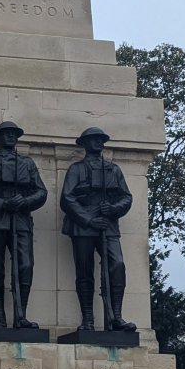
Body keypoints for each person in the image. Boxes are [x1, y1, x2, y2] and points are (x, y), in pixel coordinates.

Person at [0, 121, 47, 329]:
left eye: (13, 133)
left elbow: (41, 192)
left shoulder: (27, 163)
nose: (10, 137)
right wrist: (2, 203)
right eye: (6, 134)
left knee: (25, 265)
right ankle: (0, 319)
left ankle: (21, 316)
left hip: (21, 219)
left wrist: (25, 201)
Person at [60, 126, 136, 333]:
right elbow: (67, 198)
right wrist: (88, 220)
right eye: (93, 139)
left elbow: (126, 197)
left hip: (108, 225)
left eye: (100, 139)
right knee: (84, 272)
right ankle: (88, 320)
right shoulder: (76, 169)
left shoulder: (113, 169)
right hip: (83, 226)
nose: (98, 142)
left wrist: (113, 209)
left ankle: (116, 317)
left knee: (117, 265)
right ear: (84, 144)